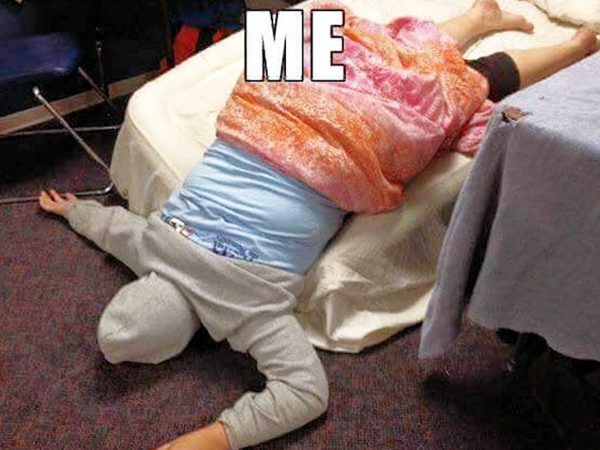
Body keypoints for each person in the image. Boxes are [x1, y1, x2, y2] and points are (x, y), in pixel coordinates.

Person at [38, 1, 599, 449]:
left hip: (333, 152)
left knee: (428, 93)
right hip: (265, 118)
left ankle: (573, 45)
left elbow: (305, 395)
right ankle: (478, 18)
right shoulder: (150, 243)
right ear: (143, 285)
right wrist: (70, 209)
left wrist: (211, 439)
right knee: (356, 60)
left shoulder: (247, 314)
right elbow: (107, 226)